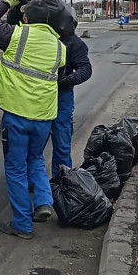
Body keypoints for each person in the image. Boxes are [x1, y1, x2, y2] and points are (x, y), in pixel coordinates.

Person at [0, 0, 65, 239]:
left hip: (17, 116)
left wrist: (9, 2)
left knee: (16, 170)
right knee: (36, 160)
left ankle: (22, 225)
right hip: (44, 117)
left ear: (26, 19)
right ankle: (43, 202)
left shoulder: (16, 37)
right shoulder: (60, 47)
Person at [50, 16, 92, 179]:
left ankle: (61, 180)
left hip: (60, 94)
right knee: (41, 142)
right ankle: (43, 180)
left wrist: (68, 80)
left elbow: (85, 68)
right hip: (44, 95)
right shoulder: (42, 38)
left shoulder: (74, 43)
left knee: (60, 139)